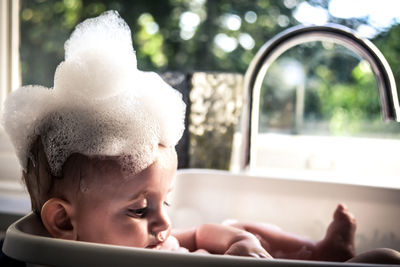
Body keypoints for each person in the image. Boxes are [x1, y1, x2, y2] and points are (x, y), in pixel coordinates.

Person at [2, 11, 399, 265]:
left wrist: (238, 242)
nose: (164, 223)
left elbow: (204, 233)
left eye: (165, 201)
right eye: (140, 210)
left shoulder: (154, 241)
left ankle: (317, 253)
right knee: (382, 259)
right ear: (63, 221)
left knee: (233, 223)